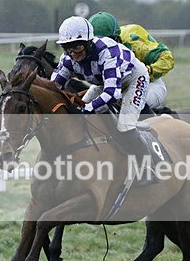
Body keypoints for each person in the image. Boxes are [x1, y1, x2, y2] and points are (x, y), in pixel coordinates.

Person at [50, 15, 157, 184]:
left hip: (133, 79)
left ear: (88, 43)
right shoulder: (67, 60)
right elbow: (53, 87)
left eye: (77, 46)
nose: (73, 53)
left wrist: (85, 109)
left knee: (125, 125)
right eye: (67, 48)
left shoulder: (106, 53)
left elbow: (112, 93)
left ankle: (147, 167)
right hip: (104, 81)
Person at [88, 11, 174, 110]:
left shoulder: (134, 42)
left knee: (129, 105)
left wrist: (147, 71)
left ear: (116, 38)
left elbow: (167, 58)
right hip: (116, 86)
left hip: (149, 84)